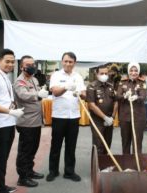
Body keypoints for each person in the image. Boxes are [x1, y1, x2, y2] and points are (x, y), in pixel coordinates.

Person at [0, 49, 24, 193]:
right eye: (7, 61)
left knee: (4, 157)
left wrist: (12, 107)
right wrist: (10, 111)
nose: (10, 64)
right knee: (1, 158)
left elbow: (4, 99)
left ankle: (0, 185)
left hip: (8, 123)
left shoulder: (5, 77)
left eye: (12, 62)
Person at [46, 52, 86, 182]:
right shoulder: (56, 75)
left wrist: (79, 93)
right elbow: (55, 92)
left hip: (74, 116)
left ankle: (69, 171)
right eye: (66, 61)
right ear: (62, 62)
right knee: (56, 145)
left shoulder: (78, 77)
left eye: (71, 61)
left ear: (74, 63)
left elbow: (84, 94)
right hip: (59, 116)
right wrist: (66, 87)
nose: (68, 64)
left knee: (71, 146)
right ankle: (53, 171)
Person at [13, 55, 49, 187]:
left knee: (33, 148)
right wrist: (37, 95)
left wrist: (41, 91)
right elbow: (23, 95)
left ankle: (29, 170)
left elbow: (38, 92)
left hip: (36, 121)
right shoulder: (19, 81)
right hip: (26, 121)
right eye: (28, 65)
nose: (32, 67)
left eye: (33, 64)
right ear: (22, 66)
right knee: (25, 150)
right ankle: (22, 177)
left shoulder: (34, 79)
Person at [86, 65, 118, 154]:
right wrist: (105, 118)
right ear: (97, 74)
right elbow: (92, 105)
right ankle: (96, 167)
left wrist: (112, 117)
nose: (104, 75)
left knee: (107, 145)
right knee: (98, 145)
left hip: (110, 119)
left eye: (106, 73)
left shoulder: (111, 86)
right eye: (102, 73)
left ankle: (104, 166)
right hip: (97, 121)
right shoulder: (92, 86)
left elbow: (116, 102)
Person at [117, 62, 147, 154]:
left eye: (136, 71)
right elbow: (117, 96)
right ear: (128, 71)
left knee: (137, 143)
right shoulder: (122, 82)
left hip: (138, 117)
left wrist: (137, 97)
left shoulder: (142, 83)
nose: (133, 73)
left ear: (138, 72)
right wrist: (124, 96)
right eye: (131, 70)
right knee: (125, 142)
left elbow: (144, 96)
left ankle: (136, 165)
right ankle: (126, 165)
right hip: (125, 117)